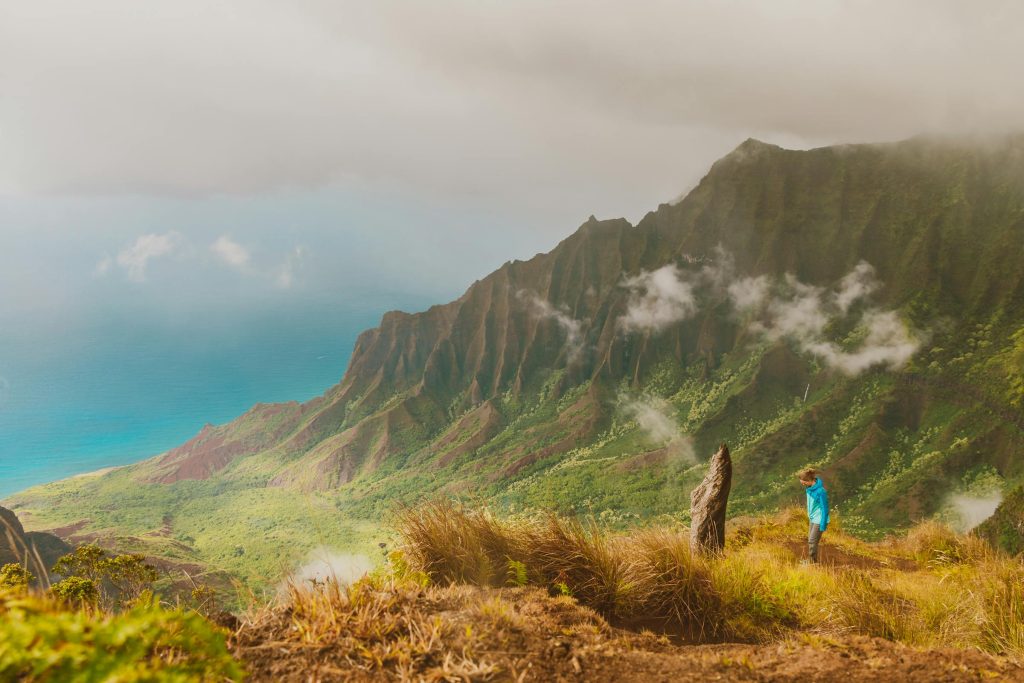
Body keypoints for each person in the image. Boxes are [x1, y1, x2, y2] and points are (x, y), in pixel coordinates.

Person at [799, 468, 829, 563]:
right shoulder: (809, 488)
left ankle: (812, 562)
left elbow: (825, 509)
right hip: (813, 518)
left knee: (812, 540)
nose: (803, 485)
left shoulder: (821, 491)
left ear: (809, 480)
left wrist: (823, 524)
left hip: (819, 519)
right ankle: (812, 560)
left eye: (804, 483)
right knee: (810, 539)